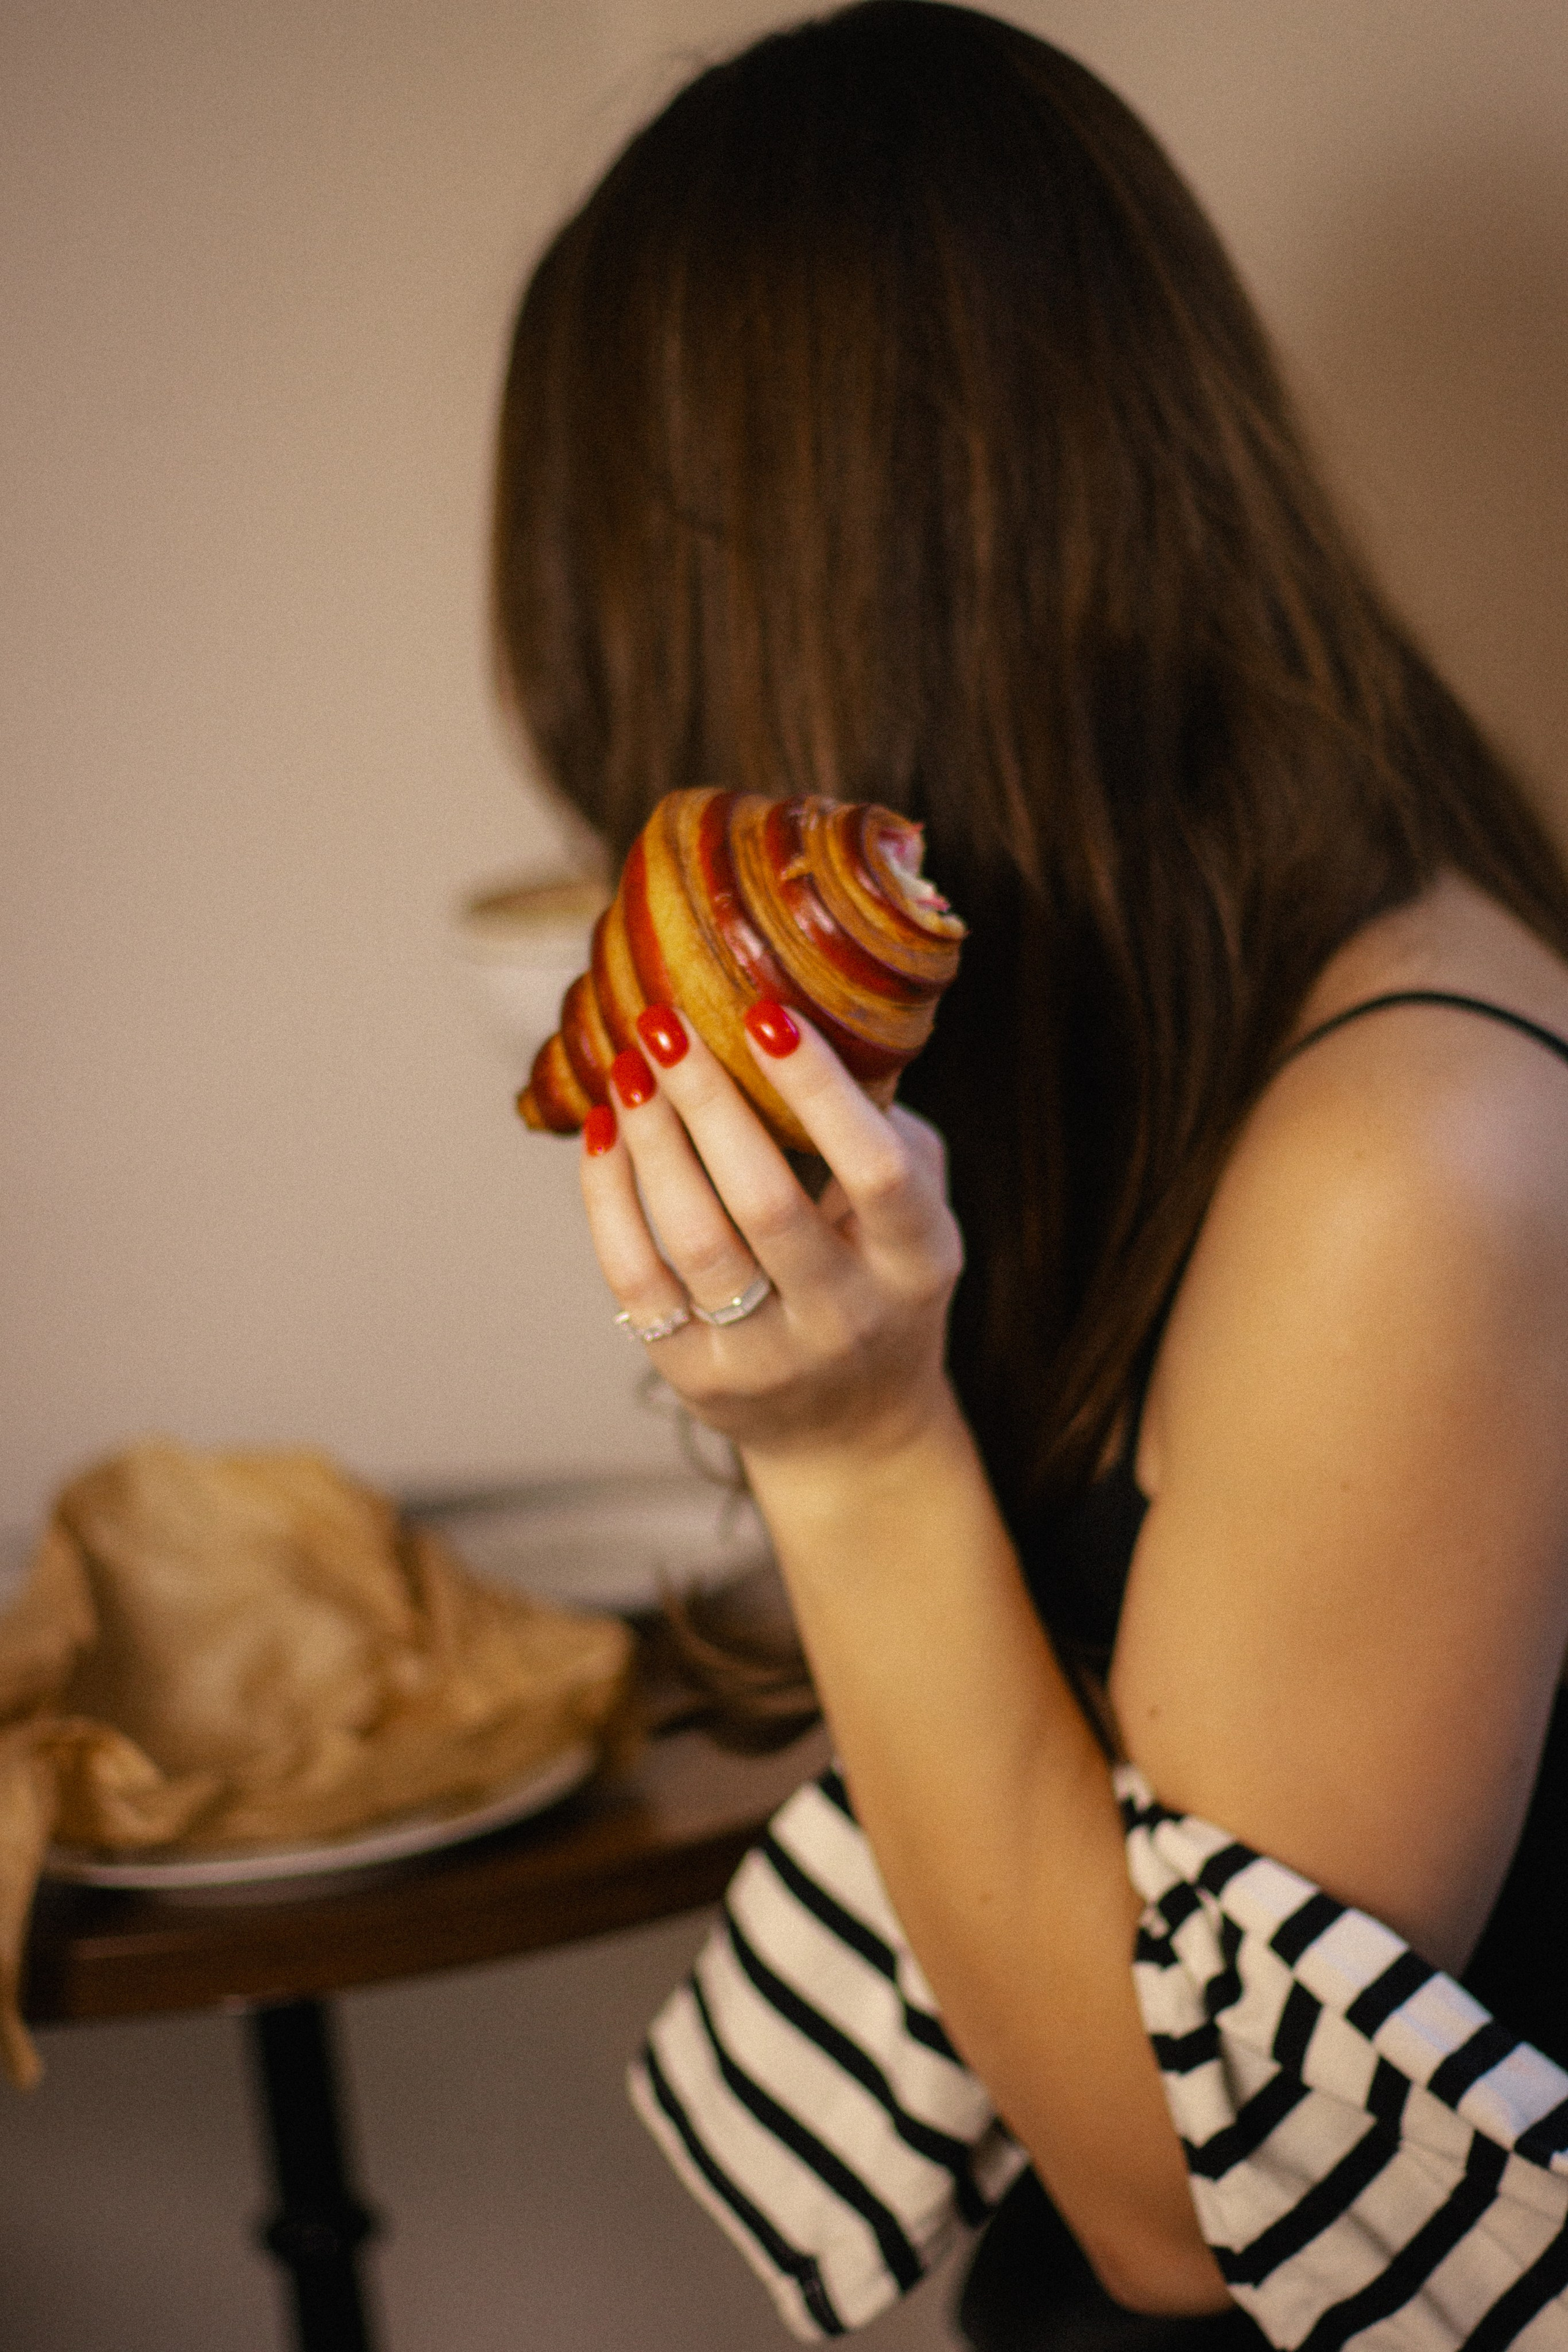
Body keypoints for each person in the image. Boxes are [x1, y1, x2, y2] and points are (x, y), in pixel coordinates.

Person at [491, 5, 1568, 2342]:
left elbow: (1196, 2212)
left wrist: (853, 1448)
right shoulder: (1187, 1019)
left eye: (631, 639)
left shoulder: (1416, 1145)